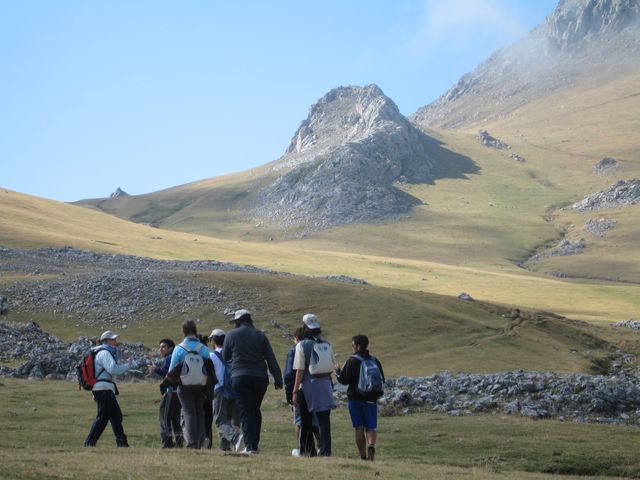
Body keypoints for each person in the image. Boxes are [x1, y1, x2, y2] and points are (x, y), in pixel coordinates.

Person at [223, 309, 283, 454]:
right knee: (255, 409)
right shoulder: (260, 335)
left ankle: (250, 447)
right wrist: (278, 378)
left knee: (246, 410)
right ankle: (254, 445)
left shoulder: (232, 335)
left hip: (240, 377)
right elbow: (270, 358)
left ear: (238, 322)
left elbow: (225, 356)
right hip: (260, 378)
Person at [161, 319, 215, 449]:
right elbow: (209, 367)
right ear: (195, 330)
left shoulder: (179, 349)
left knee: (188, 412)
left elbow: (172, 370)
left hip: (184, 385)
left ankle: (192, 442)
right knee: (199, 412)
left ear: (183, 331)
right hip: (201, 385)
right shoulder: (203, 348)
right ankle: (201, 440)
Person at [335, 334, 385, 461]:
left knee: (359, 427)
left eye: (352, 345)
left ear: (357, 346)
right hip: (371, 399)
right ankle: (372, 445)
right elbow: (382, 379)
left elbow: (343, 380)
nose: (352, 348)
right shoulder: (375, 360)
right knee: (371, 427)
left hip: (355, 399)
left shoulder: (352, 361)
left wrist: (337, 372)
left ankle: (363, 456)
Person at [292, 314, 336, 457]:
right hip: (325, 384)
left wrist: (294, 391)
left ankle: (307, 450)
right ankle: (325, 450)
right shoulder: (327, 343)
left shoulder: (301, 345)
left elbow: (299, 369)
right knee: (324, 421)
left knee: (305, 420)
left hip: (307, 386)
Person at [84, 330, 132, 447]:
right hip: (104, 388)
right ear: (106, 341)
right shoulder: (105, 353)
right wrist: (128, 365)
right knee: (103, 417)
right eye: (113, 339)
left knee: (115, 416)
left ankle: (122, 443)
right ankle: (89, 442)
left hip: (103, 388)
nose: (116, 341)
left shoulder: (101, 352)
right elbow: (113, 370)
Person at [284, 327, 320, 456]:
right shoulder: (318, 346)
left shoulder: (295, 350)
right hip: (318, 387)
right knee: (316, 420)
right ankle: (322, 447)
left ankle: (302, 448)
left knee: (300, 421)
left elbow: (289, 375)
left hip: (301, 389)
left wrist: (291, 394)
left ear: (297, 338)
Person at [209, 328, 243, 452]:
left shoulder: (212, 355)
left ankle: (236, 437)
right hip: (234, 390)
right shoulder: (233, 355)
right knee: (229, 421)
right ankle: (225, 449)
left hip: (219, 390)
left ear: (213, 340)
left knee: (219, 420)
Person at [153, 338, 183, 448]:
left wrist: (155, 370)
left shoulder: (168, 358)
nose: (161, 349)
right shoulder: (176, 358)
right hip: (178, 392)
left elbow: (167, 374)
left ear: (170, 348)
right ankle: (179, 442)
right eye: (160, 347)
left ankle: (167, 442)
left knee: (164, 417)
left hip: (170, 391)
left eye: (163, 347)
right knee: (175, 419)